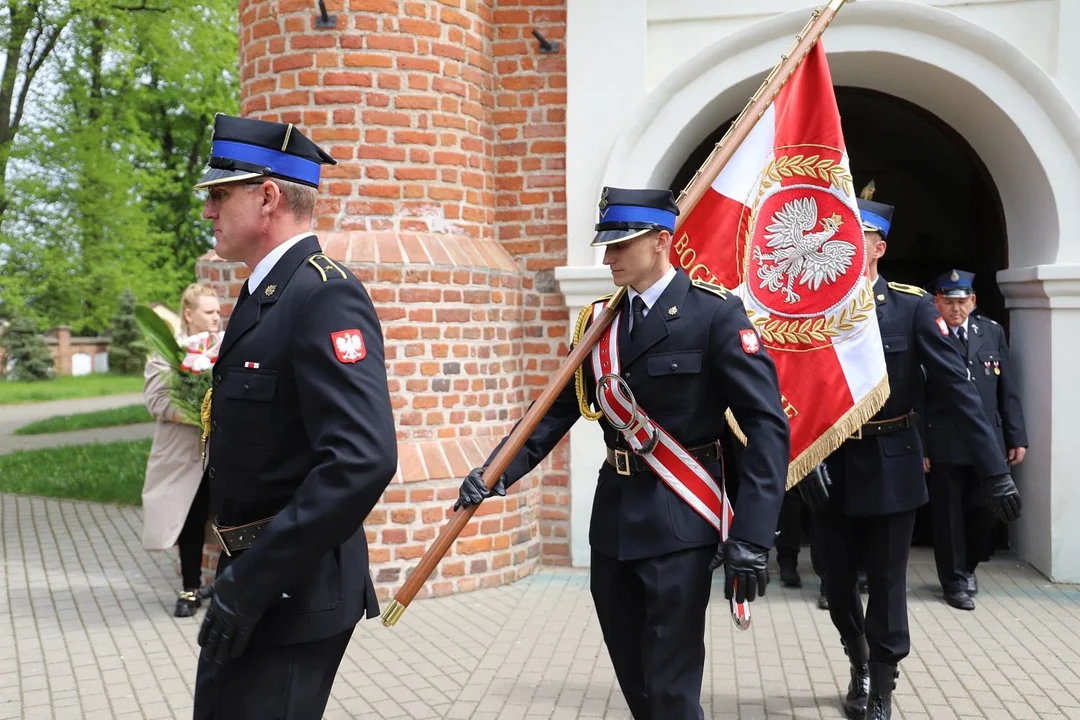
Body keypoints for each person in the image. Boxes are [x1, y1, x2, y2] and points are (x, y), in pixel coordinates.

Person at [453, 187, 791, 720]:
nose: (607, 258)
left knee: (671, 683)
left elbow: (767, 427)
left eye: (619, 246)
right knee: (634, 677)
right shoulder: (598, 324)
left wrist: (752, 534)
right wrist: (497, 470)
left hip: (682, 519)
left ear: (661, 241)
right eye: (605, 247)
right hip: (613, 519)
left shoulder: (715, 315)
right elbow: (553, 411)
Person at [190, 114, 397, 718]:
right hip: (258, 575)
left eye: (219, 195)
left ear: (268, 196)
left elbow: (363, 459)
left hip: (290, 587)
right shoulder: (266, 293)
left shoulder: (322, 294)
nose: (208, 212)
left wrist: (256, 581)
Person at [799, 190, 1022, 720]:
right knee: (833, 579)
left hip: (891, 460)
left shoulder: (911, 306)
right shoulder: (811, 307)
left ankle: (881, 683)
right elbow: (793, 392)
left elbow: (958, 391)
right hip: (829, 462)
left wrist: (995, 472)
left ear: (878, 248)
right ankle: (856, 655)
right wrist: (800, 459)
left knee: (886, 579)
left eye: (859, 238)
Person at [924, 269, 1028, 611]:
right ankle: (953, 581)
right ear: (937, 301)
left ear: (973, 301)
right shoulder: (929, 333)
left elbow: (1007, 389)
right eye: (949, 302)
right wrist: (921, 445)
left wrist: (1016, 436)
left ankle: (968, 567)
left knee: (985, 510)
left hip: (988, 441)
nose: (956, 309)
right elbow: (918, 394)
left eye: (962, 301)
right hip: (945, 440)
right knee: (948, 515)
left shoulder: (991, 332)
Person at [141, 283, 221, 617]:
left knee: (231, 521)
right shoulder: (167, 353)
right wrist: (196, 413)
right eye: (208, 312)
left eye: (218, 312)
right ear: (189, 314)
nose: (216, 318)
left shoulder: (230, 345)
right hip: (185, 456)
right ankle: (189, 589)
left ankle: (227, 588)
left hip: (225, 454)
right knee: (190, 521)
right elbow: (156, 402)